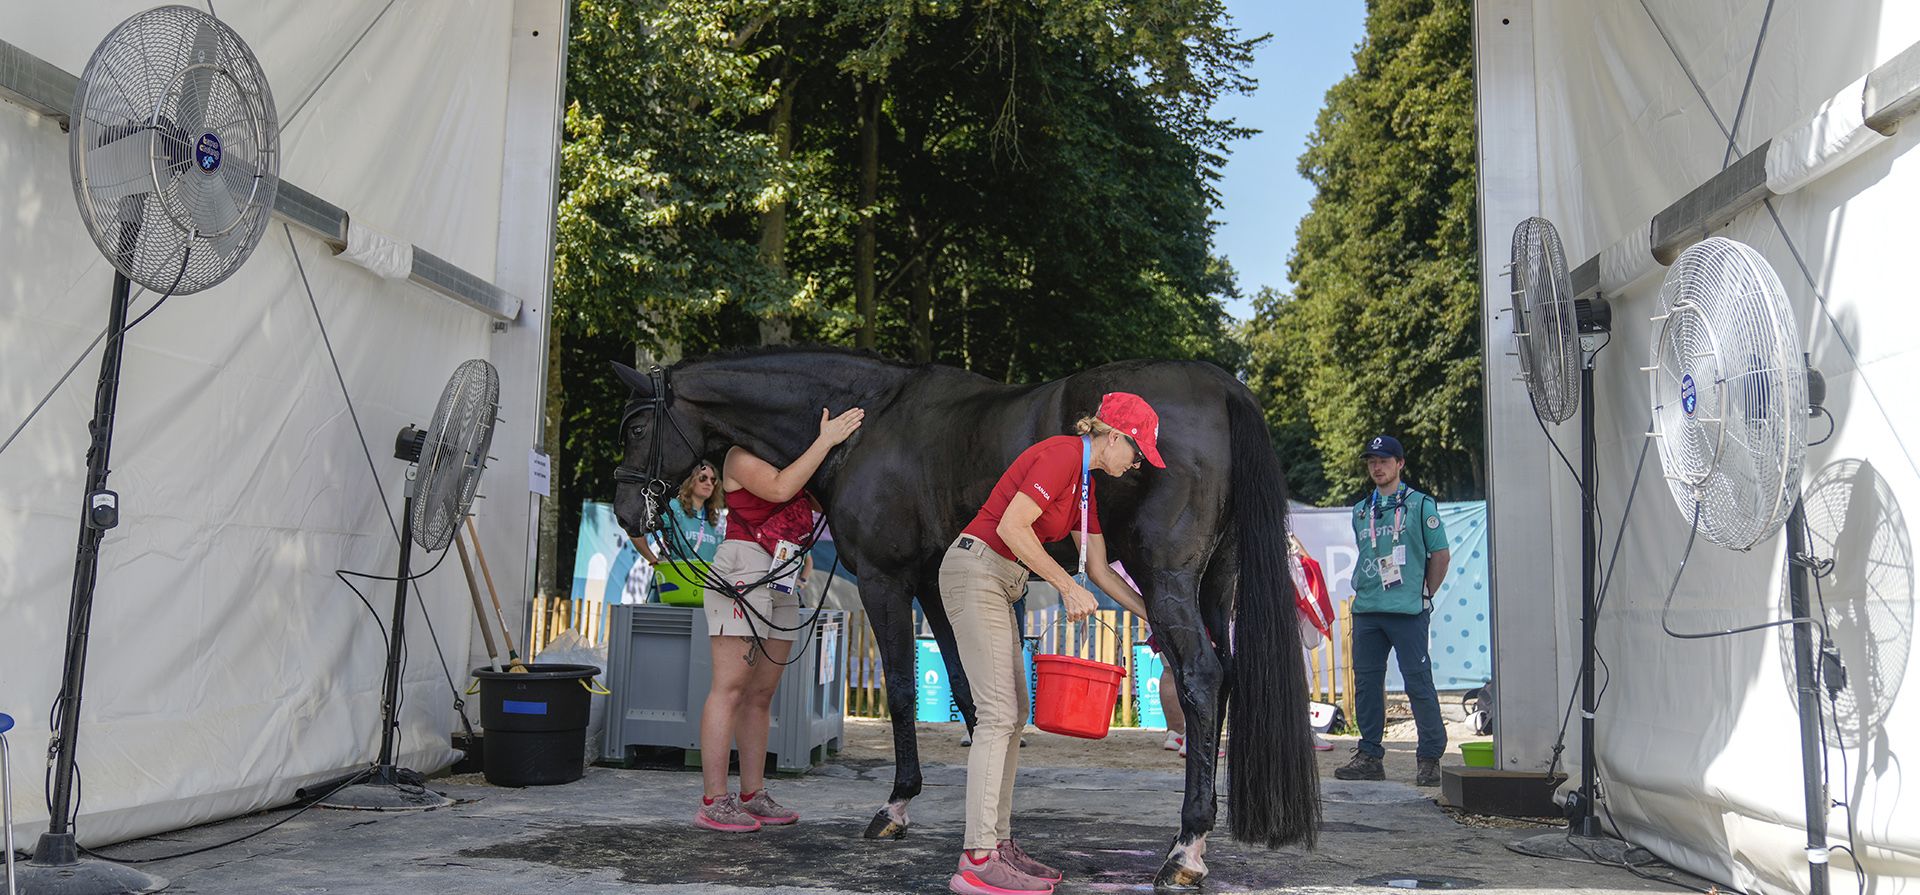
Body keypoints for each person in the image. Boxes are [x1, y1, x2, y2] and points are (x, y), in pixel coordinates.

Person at [940, 393, 1160, 895]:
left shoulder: (1085, 485)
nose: (1137, 463)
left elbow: (1101, 570)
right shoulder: (1063, 454)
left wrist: (1155, 617)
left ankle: (997, 843)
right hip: (977, 570)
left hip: (1000, 579)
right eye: (1138, 450)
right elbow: (1011, 527)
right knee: (998, 714)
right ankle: (975, 860)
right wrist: (1066, 585)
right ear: (1112, 437)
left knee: (1011, 713)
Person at [693, 406, 865, 833]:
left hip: (781, 572)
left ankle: (753, 792)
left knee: (761, 693)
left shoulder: (786, 454)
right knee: (730, 688)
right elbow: (779, 488)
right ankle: (714, 799)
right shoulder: (737, 456)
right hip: (743, 566)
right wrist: (825, 441)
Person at [1333, 435, 1451, 787]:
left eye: (1384, 460)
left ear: (1400, 463)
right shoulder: (1361, 510)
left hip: (1408, 610)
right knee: (1367, 684)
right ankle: (1369, 755)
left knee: (1418, 682)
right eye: (1371, 460)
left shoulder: (1420, 505)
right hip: (1368, 607)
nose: (1377, 466)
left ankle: (1429, 758)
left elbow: (1440, 555)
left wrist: (1426, 593)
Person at [639, 461, 726, 567]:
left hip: (708, 581)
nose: (708, 483)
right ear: (690, 480)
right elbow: (635, 528)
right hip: (675, 580)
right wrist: (653, 560)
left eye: (713, 480)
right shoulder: (674, 507)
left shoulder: (715, 517)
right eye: (703, 478)